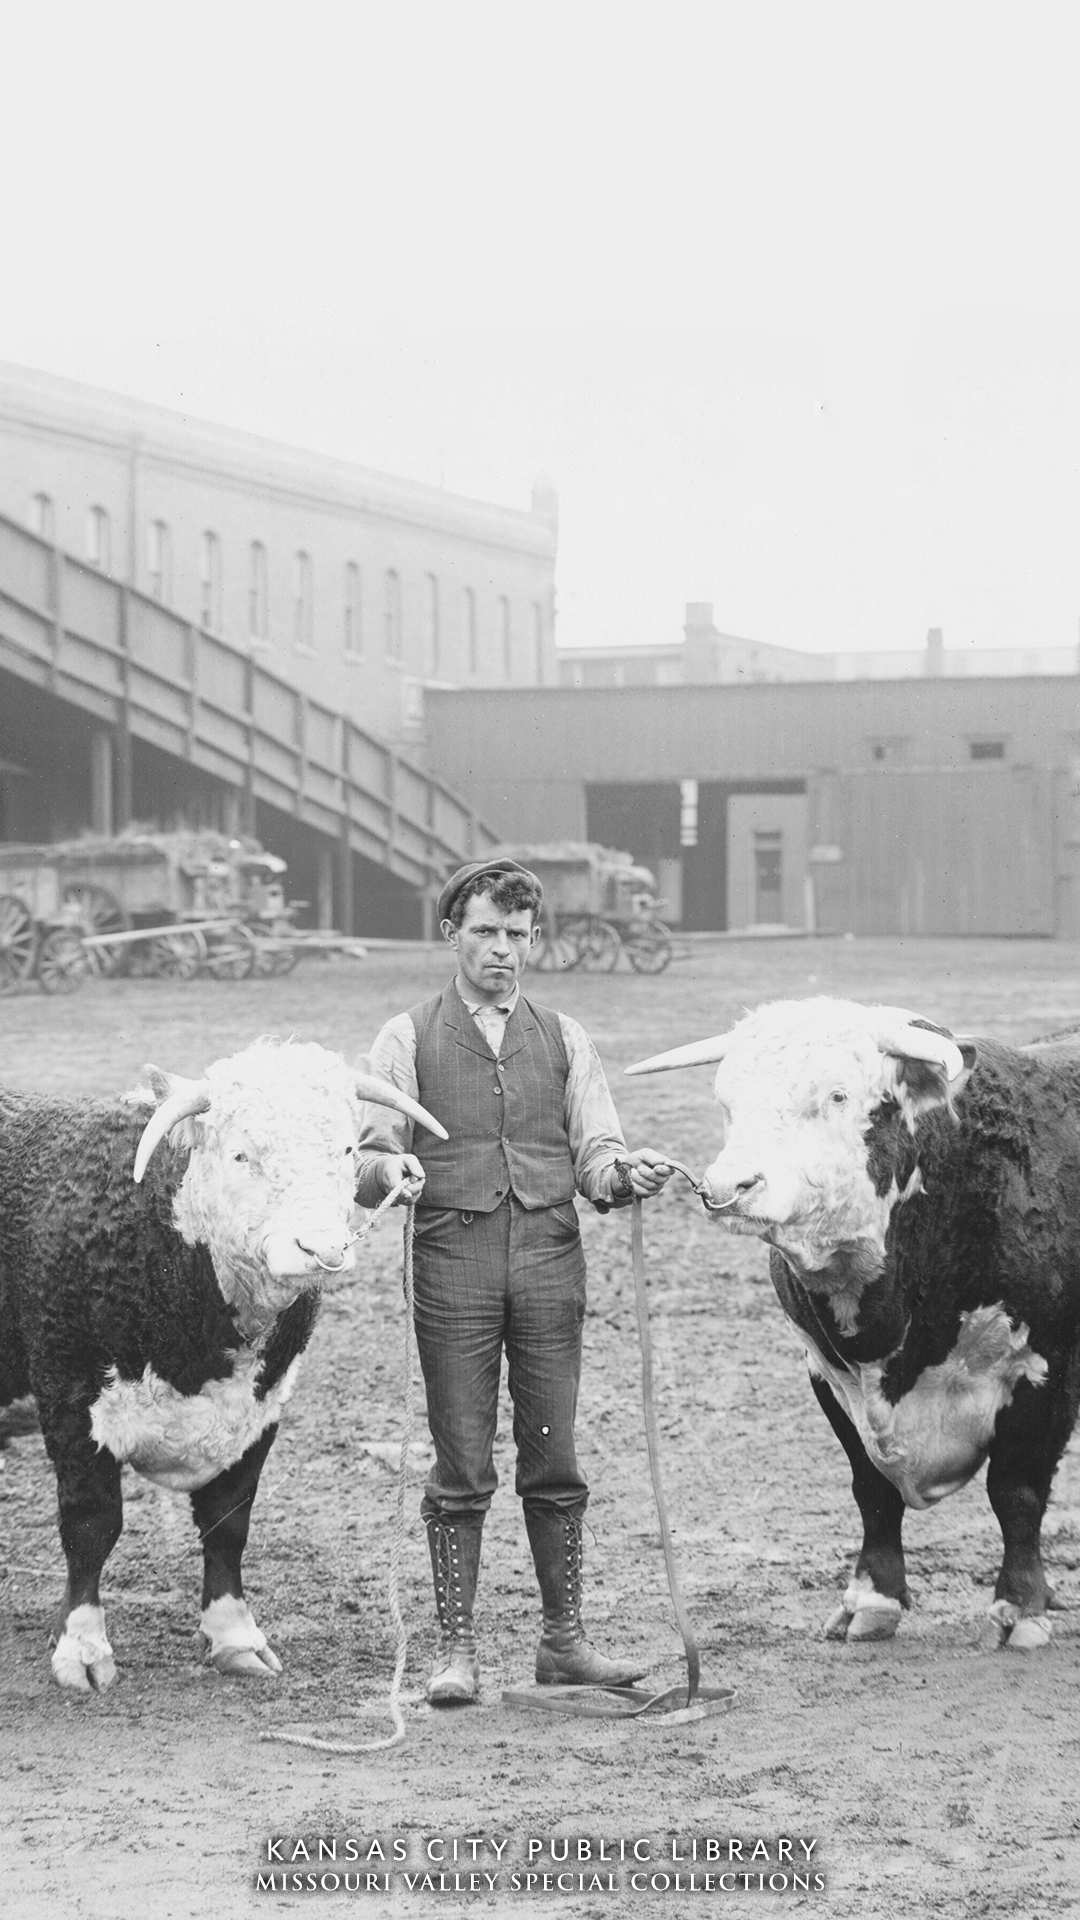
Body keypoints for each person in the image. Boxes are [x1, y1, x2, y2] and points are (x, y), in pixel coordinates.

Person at [353, 856, 673, 1706]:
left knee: (553, 1458)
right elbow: (371, 1155)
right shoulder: (404, 1037)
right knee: (460, 1462)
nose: (505, 951)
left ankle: (563, 1644)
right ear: (453, 934)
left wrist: (622, 1173)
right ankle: (455, 1652)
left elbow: (595, 1151)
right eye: (488, 933)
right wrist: (392, 1174)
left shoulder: (565, 1037)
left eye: (519, 936)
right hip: (452, 1262)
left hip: (548, 1262)